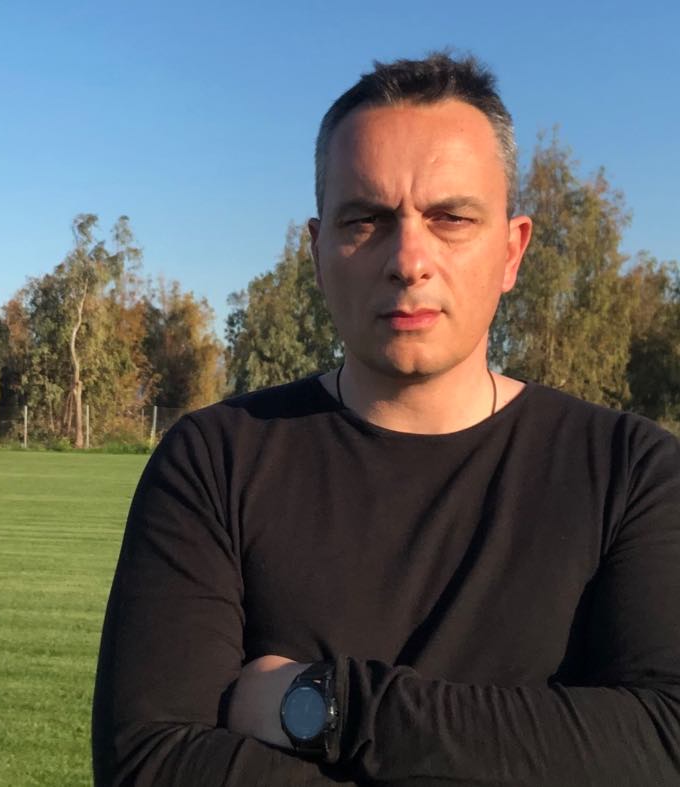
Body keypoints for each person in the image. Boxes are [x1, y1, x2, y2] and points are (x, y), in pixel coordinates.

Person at [92, 52, 680, 786]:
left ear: (512, 250)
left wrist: (331, 706)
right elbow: (150, 761)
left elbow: (663, 739)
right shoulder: (215, 460)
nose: (408, 259)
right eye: (366, 219)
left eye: (450, 218)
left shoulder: (631, 472)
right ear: (316, 252)